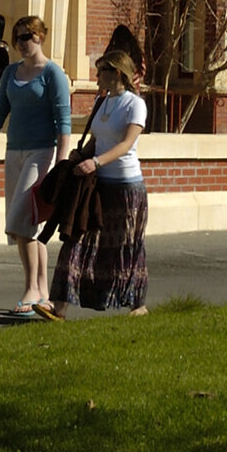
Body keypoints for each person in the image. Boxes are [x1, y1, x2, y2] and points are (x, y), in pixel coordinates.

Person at [0, 15, 72, 316]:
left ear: (40, 36)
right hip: (14, 152)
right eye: (17, 38)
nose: (21, 43)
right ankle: (42, 291)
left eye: (27, 36)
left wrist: (61, 164)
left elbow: (64, 122)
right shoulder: (12, 72)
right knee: (28, 227)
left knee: (20, 221)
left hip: (41, 152)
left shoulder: (53, 74)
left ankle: (30, 289)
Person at [39, 51, 150, 321]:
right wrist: (81, 156)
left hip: (127, 187)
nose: (97, 77)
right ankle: (59, 307)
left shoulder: (135, 104)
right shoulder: (103, 102)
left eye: (101, 72)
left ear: (117, 73)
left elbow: (126, 144)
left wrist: (96, 162)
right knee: (76, 240)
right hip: (98, 187)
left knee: (126, 245)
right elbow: (96, 140)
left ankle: (137, 304)